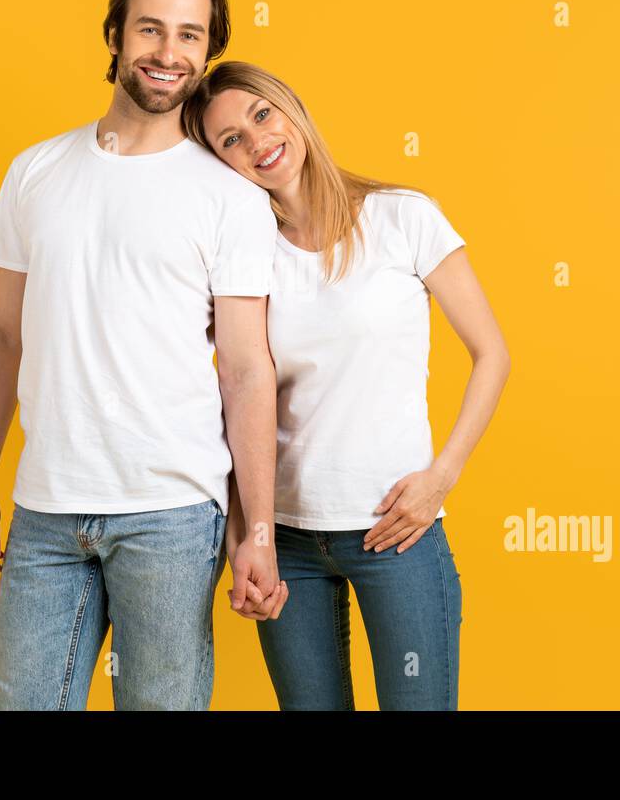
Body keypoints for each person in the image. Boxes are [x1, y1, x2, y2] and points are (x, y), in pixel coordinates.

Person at [0, 0, 288, 711]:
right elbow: (0, 334)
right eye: (150, 29)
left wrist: (257, 532)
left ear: (207, 53)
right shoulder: (35, 171)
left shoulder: (228, 198)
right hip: (45, 508)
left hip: (171, 512)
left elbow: (245, 370)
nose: (169, 53)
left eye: (191, 36)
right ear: (114, 36)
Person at [182, 61, 512, 710]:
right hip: (288, 541)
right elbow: (233, 402)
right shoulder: (246, 256)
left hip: (397, 532)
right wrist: (248, 539)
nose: (257, 142)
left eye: (261, 115)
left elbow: (492, 354)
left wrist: (441, 476)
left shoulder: (402, 218)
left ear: (292, 110)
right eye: (230, 141)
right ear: (221, 164)